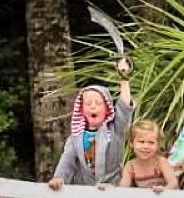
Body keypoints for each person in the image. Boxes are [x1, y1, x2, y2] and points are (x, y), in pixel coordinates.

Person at [47, 58, 133, 190]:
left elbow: (125, 107)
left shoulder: (115, 128)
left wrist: (124, 77)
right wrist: (59, 178)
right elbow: (67, 161)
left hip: (113, 191)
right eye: (88, 104)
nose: (93, 107)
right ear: (81, 109)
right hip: (85, 193)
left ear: (107, 108)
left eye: (98, 103)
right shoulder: (75, 136)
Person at [119, 120, 177, 193]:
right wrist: (110, 189)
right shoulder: (130, 166)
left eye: (151, 142)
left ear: (157, 145)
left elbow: (173, 183)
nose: (146, 146)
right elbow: (123, 188)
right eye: (141, 142)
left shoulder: (160, 162)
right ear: (131, 143)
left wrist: (164, 189)